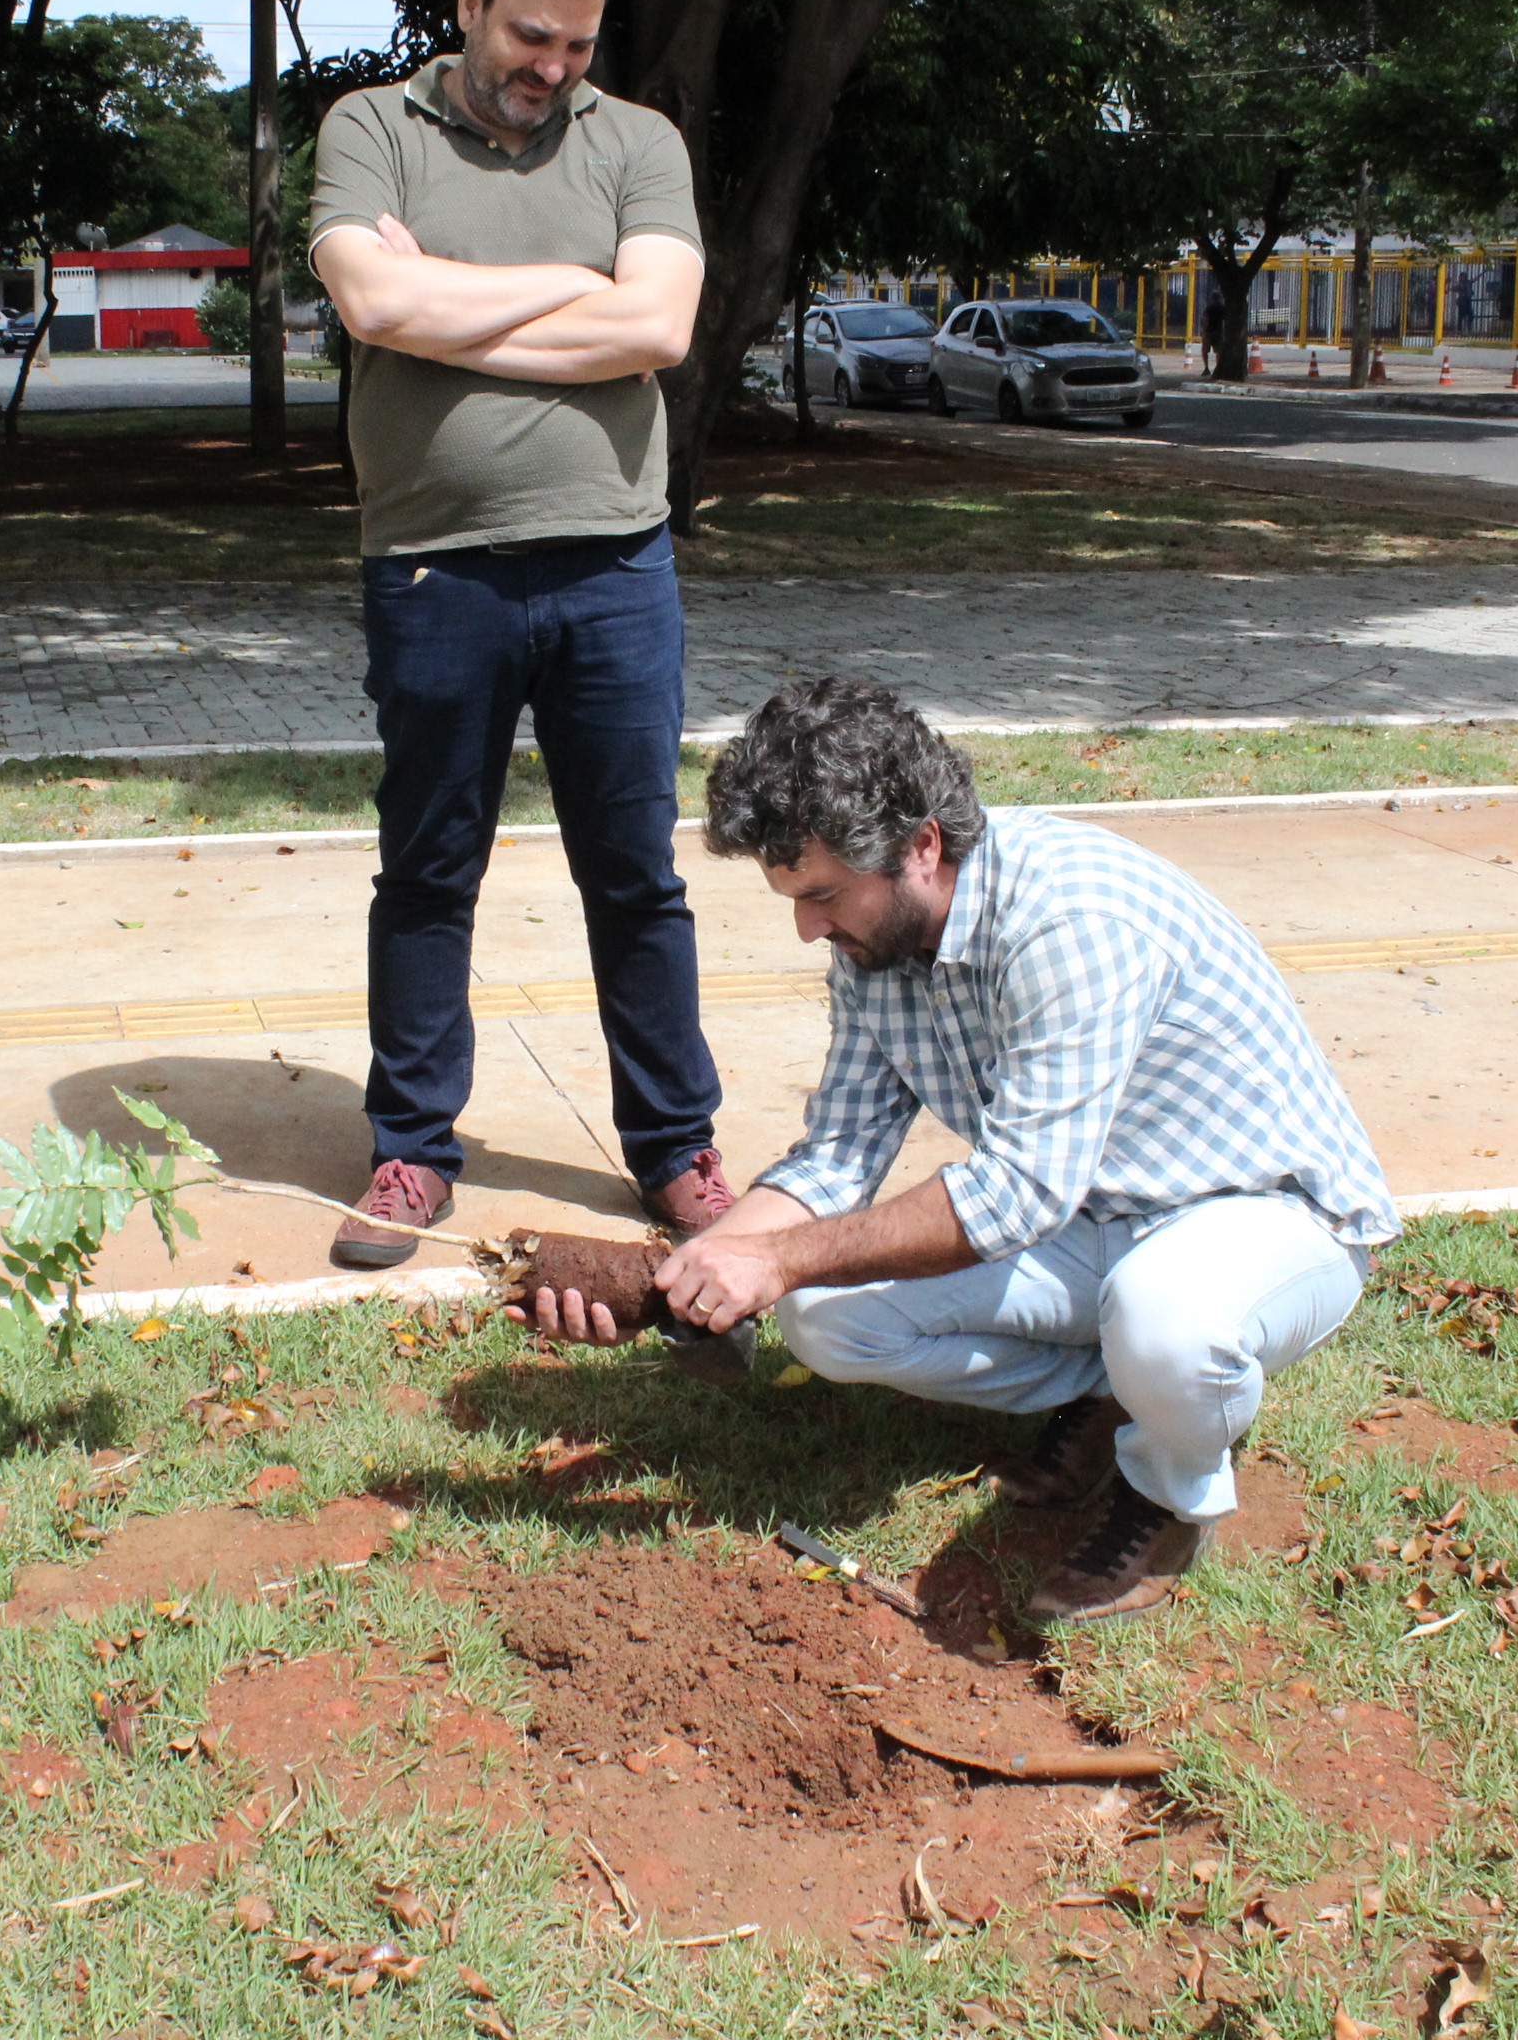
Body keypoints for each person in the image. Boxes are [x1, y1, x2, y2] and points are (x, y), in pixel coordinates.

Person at [521, 678, 1398, 1621]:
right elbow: (838, 1155)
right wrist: (691, 1274)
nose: (807, 926)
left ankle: (1170, 1486)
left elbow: (1015, 1192)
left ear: (921, 846)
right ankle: (1120, 1395)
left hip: (1262, 1217)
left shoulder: (1071, 919)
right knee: (823, 1318)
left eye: (821, 896)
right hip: (1087, 1218)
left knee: (1168, 1322)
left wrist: (771, 1261)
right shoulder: (880, 937)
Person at [305, 0, 735, 1292]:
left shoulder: (639, 144)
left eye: (579, 44)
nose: (553, 67)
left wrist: (464, 294)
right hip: (434, 569)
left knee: (637, 873)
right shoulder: (372, 128)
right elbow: (376, 307)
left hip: (617, 563)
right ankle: (413, 1141)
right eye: (532, 35)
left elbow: (658, 324)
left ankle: (675, 1147)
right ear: (469, 5)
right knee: (430, 866)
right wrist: (570, 290)